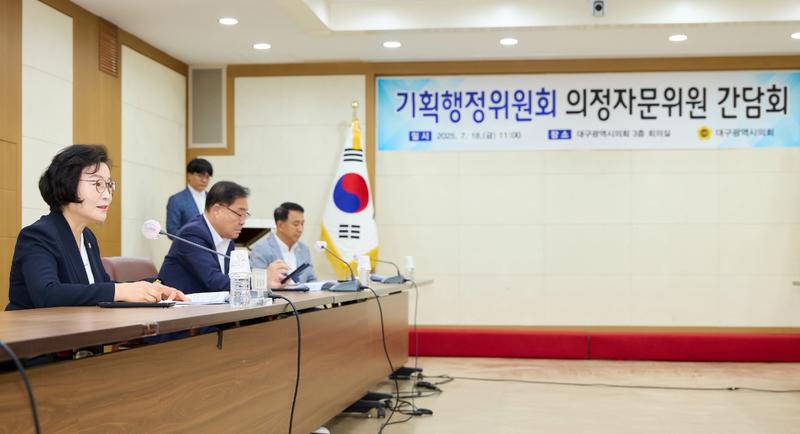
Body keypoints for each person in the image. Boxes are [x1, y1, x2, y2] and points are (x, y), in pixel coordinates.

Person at [6, 145, 187, 310]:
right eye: (97, 184)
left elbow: (99, 286)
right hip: (34, 333)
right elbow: (46, 294)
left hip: (77, 330)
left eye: (109, 185)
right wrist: (120, 291)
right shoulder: (38, 235)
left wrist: (150, 287)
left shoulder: (87, 237)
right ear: (67, 183)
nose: (107, 195)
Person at [158, 181, 288, 293]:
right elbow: (214, 282)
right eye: (239, 214)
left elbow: (233, 277)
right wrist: (261, 279)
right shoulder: (192, 234)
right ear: (216, 211)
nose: (243, 221)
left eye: (245, 215)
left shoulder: (227, 237)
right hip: (177, 311)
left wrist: (271, 278)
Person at [250, 202, 318, 284]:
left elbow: (311, 279)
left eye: (302, 224)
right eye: (296, 224)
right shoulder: (261, 249)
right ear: (280, 225)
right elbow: (257, 283)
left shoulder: (304, 249)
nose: (300, 229)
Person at [166, 158, 213, 235]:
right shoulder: (176, 200)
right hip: (187, 242)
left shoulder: (213, 198)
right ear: (189, 175)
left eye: (207, 177)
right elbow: (172, 230)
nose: (204, 180)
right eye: (200, 176)